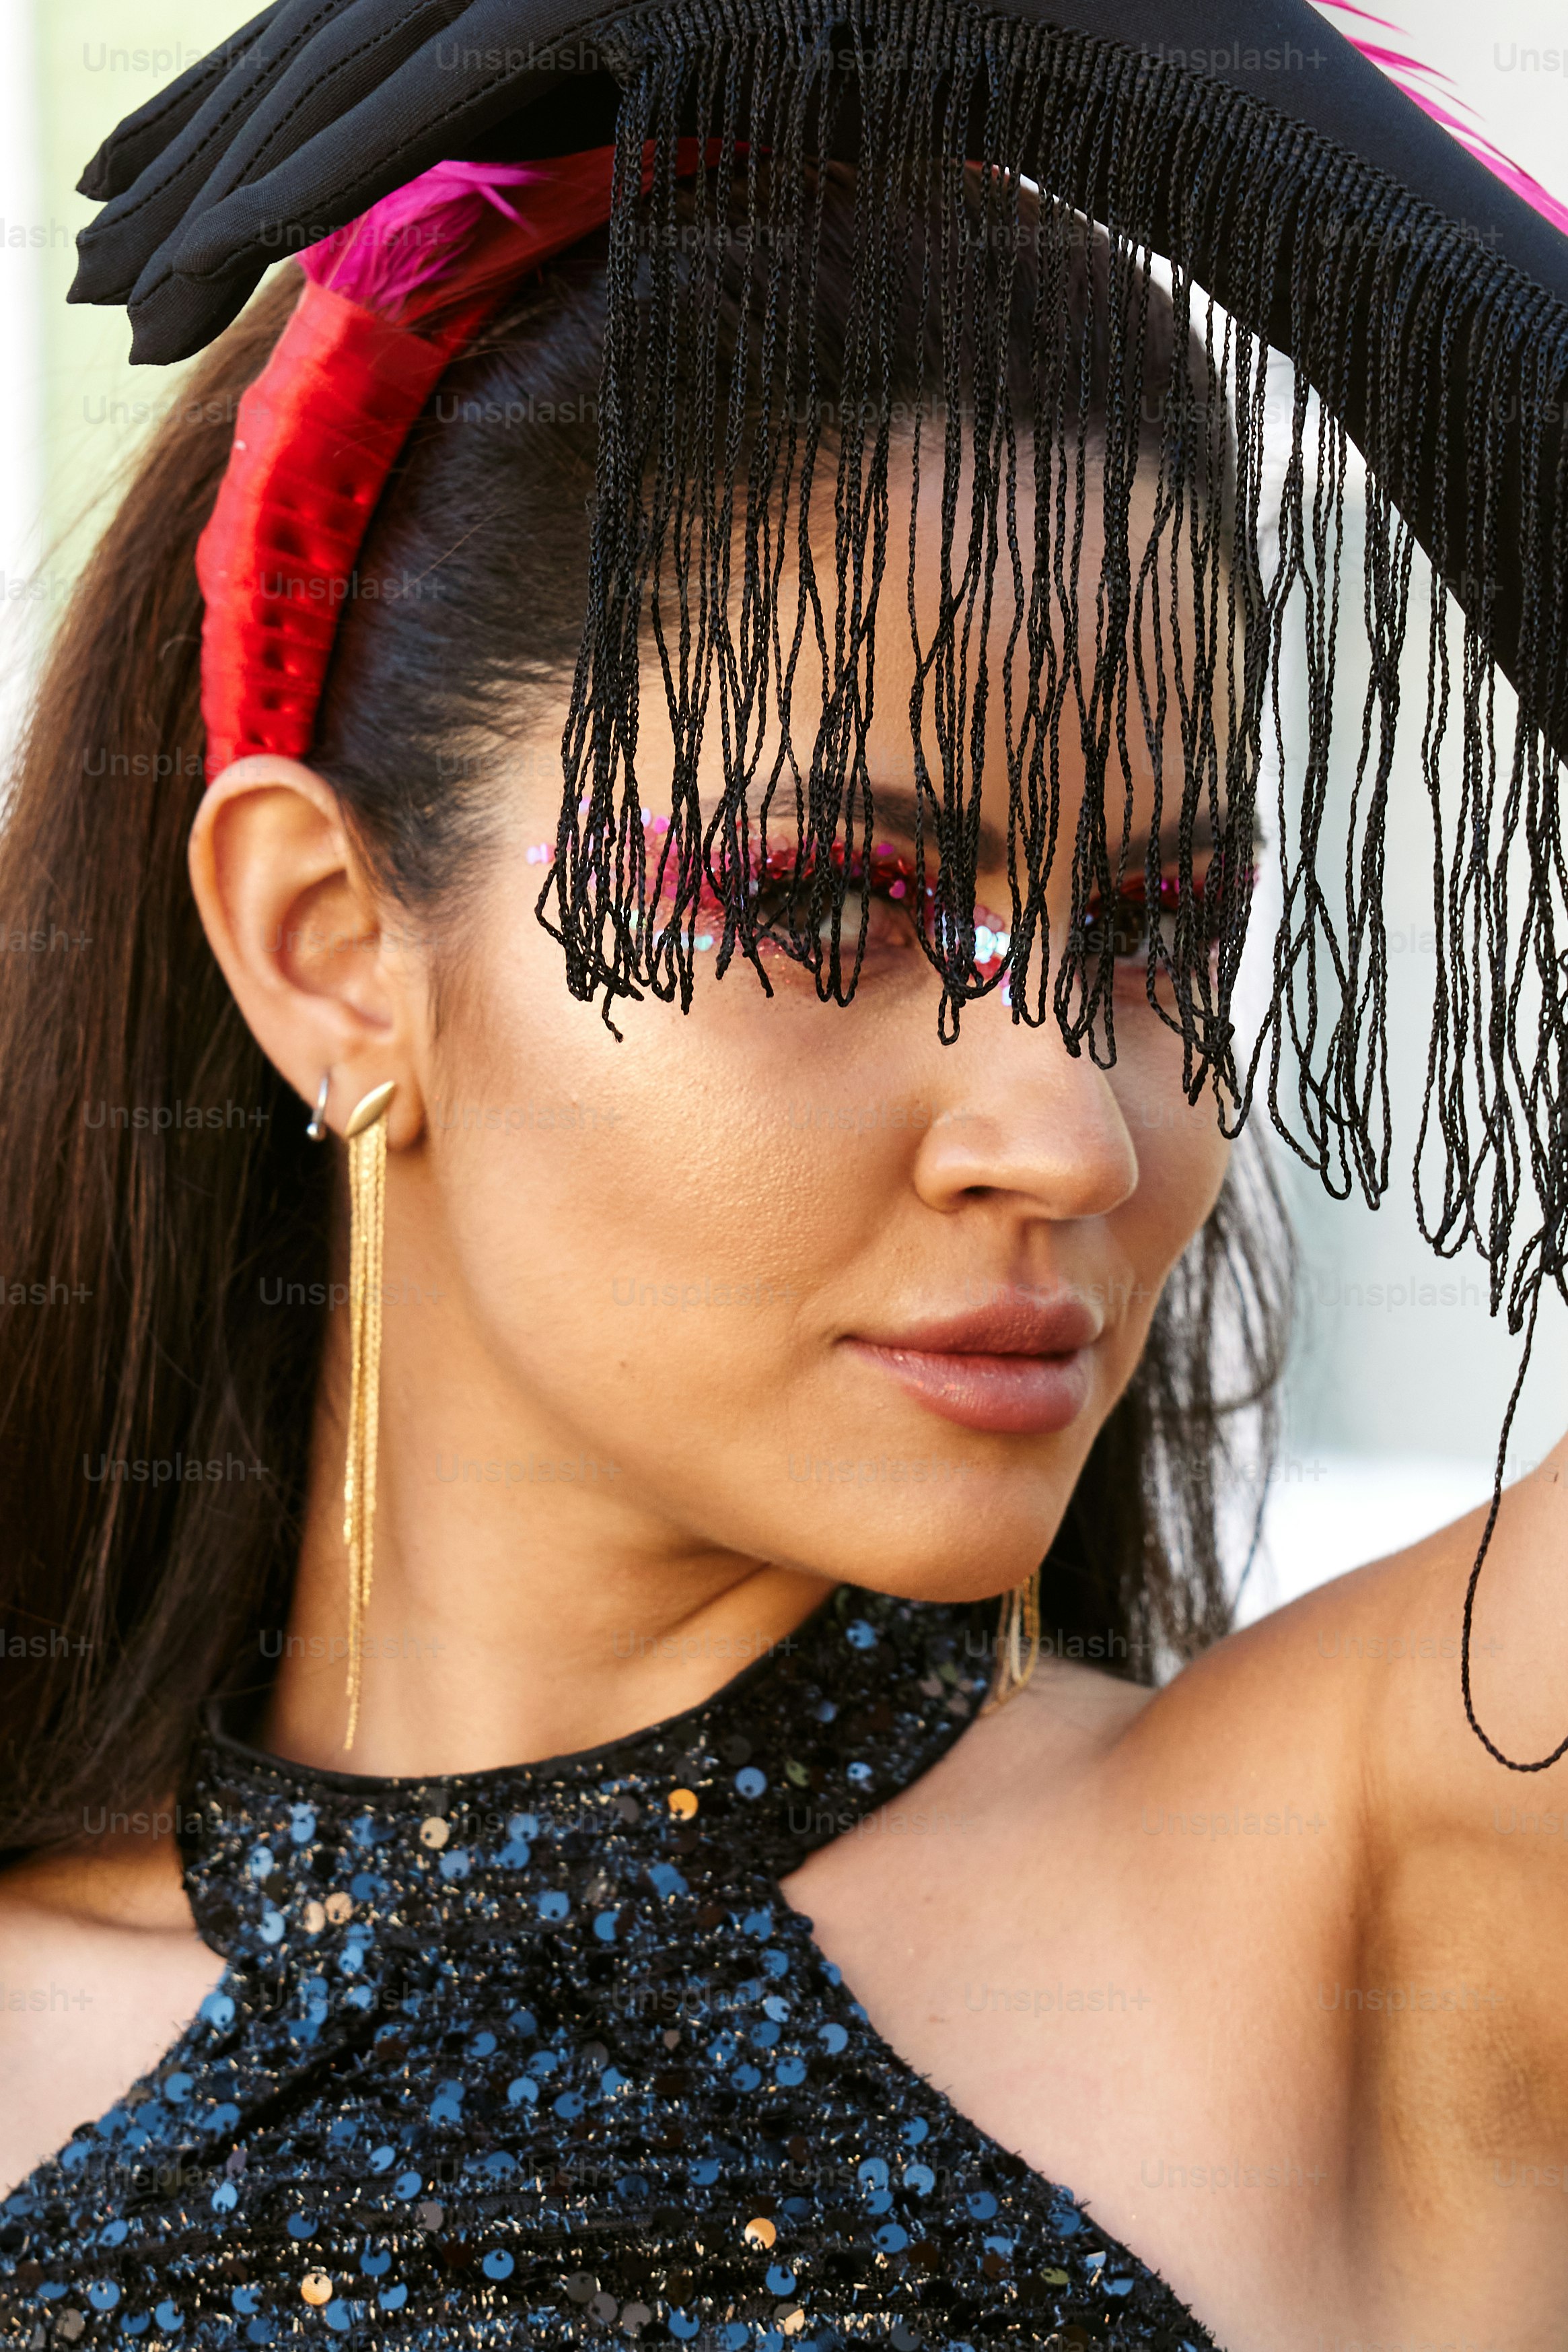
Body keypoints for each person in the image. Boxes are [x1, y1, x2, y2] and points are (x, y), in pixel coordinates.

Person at [1, 9, 1567, 2351]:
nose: (1070, 1130)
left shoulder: (1405, 1894)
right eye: (825, 906)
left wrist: (1185, 82)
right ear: (329, 950)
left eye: (1163, 933)